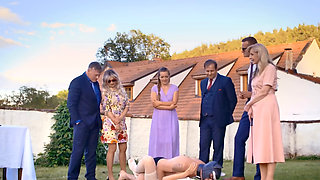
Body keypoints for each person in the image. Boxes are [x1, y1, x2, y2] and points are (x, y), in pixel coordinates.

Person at [244, 43, 285, 180]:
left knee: (269, 141)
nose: (249, 57)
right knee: (260, 144)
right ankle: (263, 177)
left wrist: (249, 103)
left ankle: (269, 178)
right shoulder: (257, 71)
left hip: (267, 106)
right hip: (258, 108)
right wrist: (252, 107)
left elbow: (264, 91)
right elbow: (256, 92)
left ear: (259, 54)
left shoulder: (270, 68)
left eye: (252, 54)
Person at [224, 37, 261, 180]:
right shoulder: (250, 66)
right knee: (239, 138)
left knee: (259, 141)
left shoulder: (263, 66)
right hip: (249, 105)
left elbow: (269, 89)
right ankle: (238, 175)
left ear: (253, 48)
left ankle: (260, 176)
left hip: (260, 107)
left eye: (244, 48)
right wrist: (247, 96)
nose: (242, 51)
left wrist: (250, 93)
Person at [67, 62, 103, 180]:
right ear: (90, 70)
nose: (97, 78)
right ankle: (72, 177)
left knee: (91, 153)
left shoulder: (96, 84)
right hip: (81, 123)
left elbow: (96, 102)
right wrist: (77, 121)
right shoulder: (77, 82)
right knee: (77, 153)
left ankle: (91, 177)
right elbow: (71, 104)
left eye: (99, 75)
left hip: (94, 123)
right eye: (96, 75)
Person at [199, 59, 237, 167]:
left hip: (218, 121)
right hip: (205, 120)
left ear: (216, 69)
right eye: (207, 71)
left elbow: (233, 100)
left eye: (212, 71)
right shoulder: (203, 83)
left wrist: (224, 116)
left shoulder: (225, 81)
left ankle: (216, 171)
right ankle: (202, 171)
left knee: (218, 146)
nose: (209, 73)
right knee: (203, 146)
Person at [100, 69, 129, 180]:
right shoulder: (105, 93)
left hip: (121, 123)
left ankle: (123, 174)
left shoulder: (122, 91)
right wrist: (115, 120)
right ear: (106, 82)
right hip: (110, 124)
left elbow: (127, 106)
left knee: (123, 148)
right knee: (112, 149)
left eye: (114, 80)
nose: (112, 82)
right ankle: (110, 176)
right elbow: (106, 110)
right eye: (109, 81)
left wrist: (120, 118)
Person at [148, 67, 180, 159]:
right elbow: (154, 105)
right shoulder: (154, 89)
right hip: (159, 119)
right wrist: (169, 107)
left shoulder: (175, 88)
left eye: (166, 76)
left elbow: (174, 102)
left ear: (169, 76)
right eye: (162, 77)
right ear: (159, 77)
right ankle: (157, 162)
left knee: (171, 140)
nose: (164, 79)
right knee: (158, 140)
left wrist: (160, 103)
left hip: (171, 118)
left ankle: (171, 162)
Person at [118, 155, 222, 180]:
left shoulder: (201, 165)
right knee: (142, 176)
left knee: (141, 178)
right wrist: (185, 174)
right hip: (154, 164)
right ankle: (135, 168)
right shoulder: (183, 165)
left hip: (166, 169)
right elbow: (161, 169)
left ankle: (125, 175)